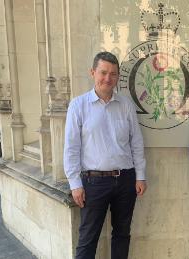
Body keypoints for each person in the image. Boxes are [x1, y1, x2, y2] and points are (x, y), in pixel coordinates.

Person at [64, 51, 147, 259]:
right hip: (93, 183)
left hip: (125, 179)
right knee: (88, 238)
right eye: (103, 73)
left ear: (118, 76)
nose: (107, 78)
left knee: (122, 234)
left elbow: (136, 142)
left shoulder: (126, 105)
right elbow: (71, 147)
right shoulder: (78, 105)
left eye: (113, 74)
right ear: (93, 73)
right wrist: (75, 183)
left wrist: (140, 175)